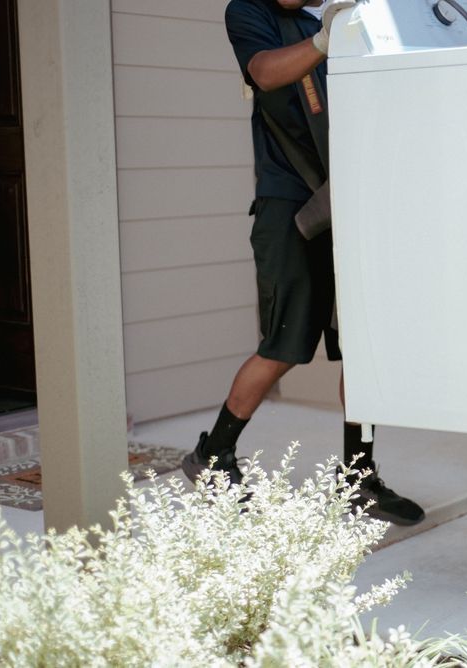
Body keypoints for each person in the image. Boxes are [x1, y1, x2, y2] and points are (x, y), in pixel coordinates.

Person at [181, 0, 425, 526]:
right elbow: (265, 72)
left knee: (361, 352)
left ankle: (357, 478)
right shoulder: (249, 13)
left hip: (346, 202)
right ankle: (213, 456)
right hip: (287, 208)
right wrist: (320, 44)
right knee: (283, 346)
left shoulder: (336, 21)